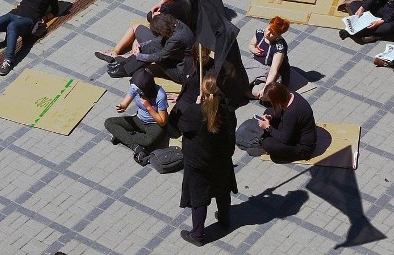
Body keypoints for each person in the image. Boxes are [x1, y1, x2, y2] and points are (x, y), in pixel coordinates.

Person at [170, 75, 237, 246]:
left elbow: (182, 126)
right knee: (223, 191)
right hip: (221, 159)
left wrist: (195, 104)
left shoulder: (195, 112)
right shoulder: (227, 110)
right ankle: (224, 219)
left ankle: (198, 235)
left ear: (204, 93)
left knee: (199, 198)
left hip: (199, 164)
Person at [96, 12, 194, 82]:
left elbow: (160, 57)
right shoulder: (175, 24)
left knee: (152, 50)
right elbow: (159, 39)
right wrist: (141, 45)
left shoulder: (176, 38)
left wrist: (139, 56)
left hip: (181, 72)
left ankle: (124, 68)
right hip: (177, 58)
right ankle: (125, 64)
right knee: (150, 47)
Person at [105, 69, 169, 164]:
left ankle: (122, 136)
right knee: (109, 122)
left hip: (154, 124)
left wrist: (148, 107)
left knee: (149, 141)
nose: (136, 91)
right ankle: (136, 147)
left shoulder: (160, 95)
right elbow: (125, 103)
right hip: (138, 119)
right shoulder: (135, 88)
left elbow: (162, 121)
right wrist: (122, 107)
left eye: (139, 90)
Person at [256, 81, 317, 162]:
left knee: (267, 144)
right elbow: (281, 110)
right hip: (298, 131)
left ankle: (286, 156)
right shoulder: (292, 94)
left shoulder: (290, 113)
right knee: (268, 111)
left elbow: (285, 139)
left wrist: (268, 127)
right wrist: (270, 116)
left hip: (303, 148)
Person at [247, 16, 291, 98]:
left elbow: (273, 71)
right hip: (256, 65)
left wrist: (266, 89)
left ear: (278, 35)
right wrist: (253, 50)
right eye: (268, 29)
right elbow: (251, 45)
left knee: (257, 92)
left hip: (270, 71)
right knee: (239, 80)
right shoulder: (259, 33)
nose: (267, 33)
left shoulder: (279, 48)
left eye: (272, 33)